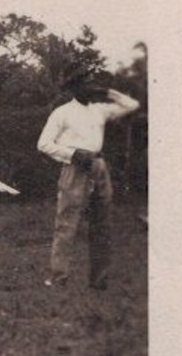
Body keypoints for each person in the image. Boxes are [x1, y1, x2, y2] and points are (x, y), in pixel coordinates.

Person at [37, 72, 140, 289]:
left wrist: (107, 92)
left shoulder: (99, 109)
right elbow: (44, 144)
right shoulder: (62, 112)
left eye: (93, 83)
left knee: (102, 223)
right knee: (67, 224)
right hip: (75, 167)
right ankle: (58, 278)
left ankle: (99, 281)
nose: (91, 87)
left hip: (98, 166)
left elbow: (131, 105)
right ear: (74, 88)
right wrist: (73, 155)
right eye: (86, 84)